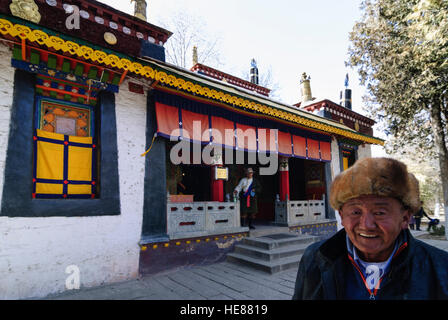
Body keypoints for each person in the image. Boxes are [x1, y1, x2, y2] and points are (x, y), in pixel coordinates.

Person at [293, 157, 448, 300]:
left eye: (379, 213)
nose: (366, 225)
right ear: (341, 215)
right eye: (355, 212)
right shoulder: (315, 258)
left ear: (405, 218)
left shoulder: (441, 268)